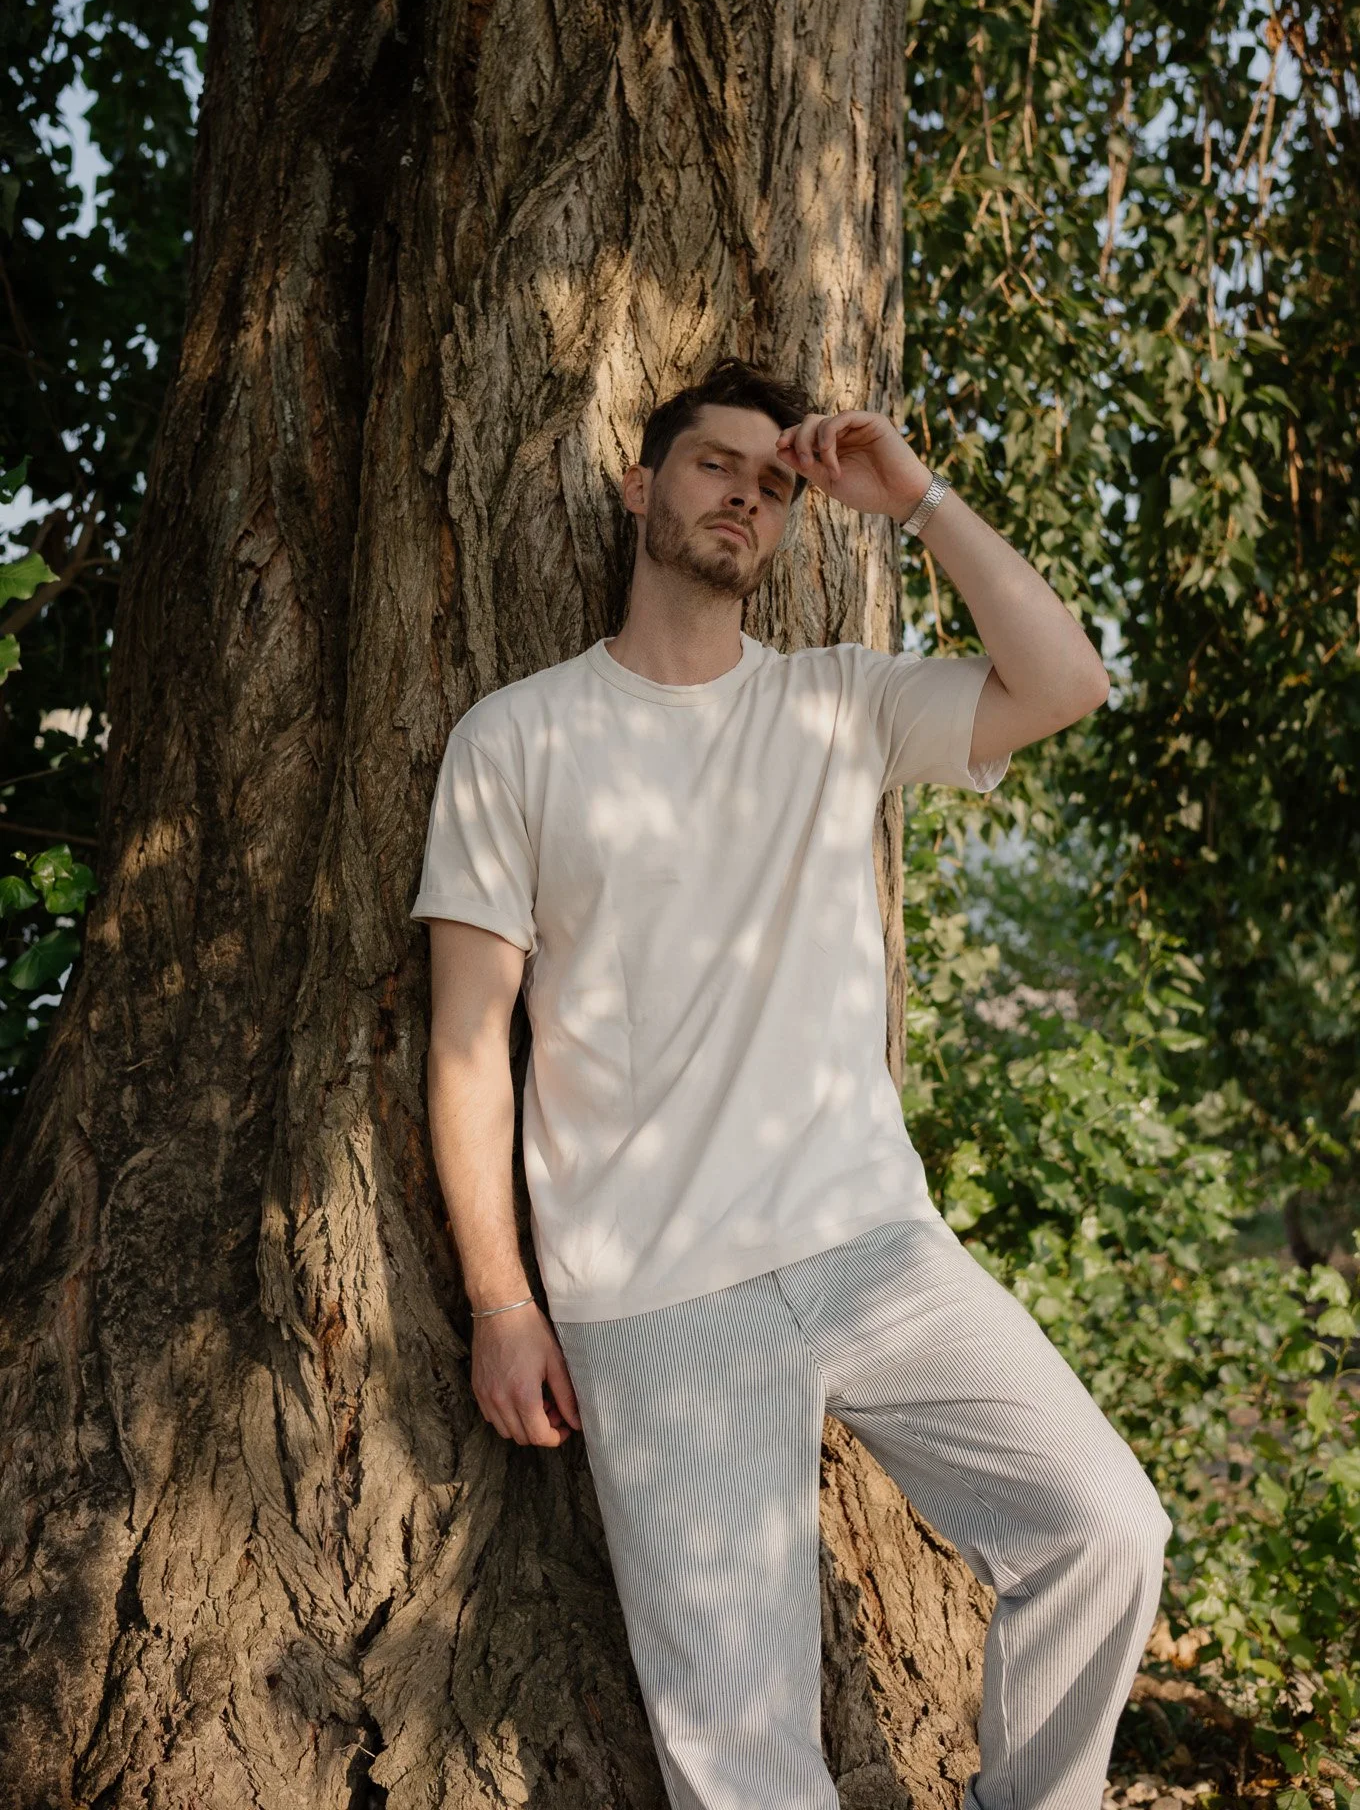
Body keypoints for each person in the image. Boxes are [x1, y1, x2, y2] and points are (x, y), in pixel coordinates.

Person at [410, 356, 1173, 1810]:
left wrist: (918, 498)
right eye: (714, 466)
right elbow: (469, 1043)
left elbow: (1067, 682)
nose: (744, 499)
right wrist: (502, 1302)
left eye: (773, 485)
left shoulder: (839, 703)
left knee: (1105, 1529)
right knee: (742, 1748)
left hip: (872, 1244)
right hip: (655, 1291)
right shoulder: (517, 738)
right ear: (640, 485)